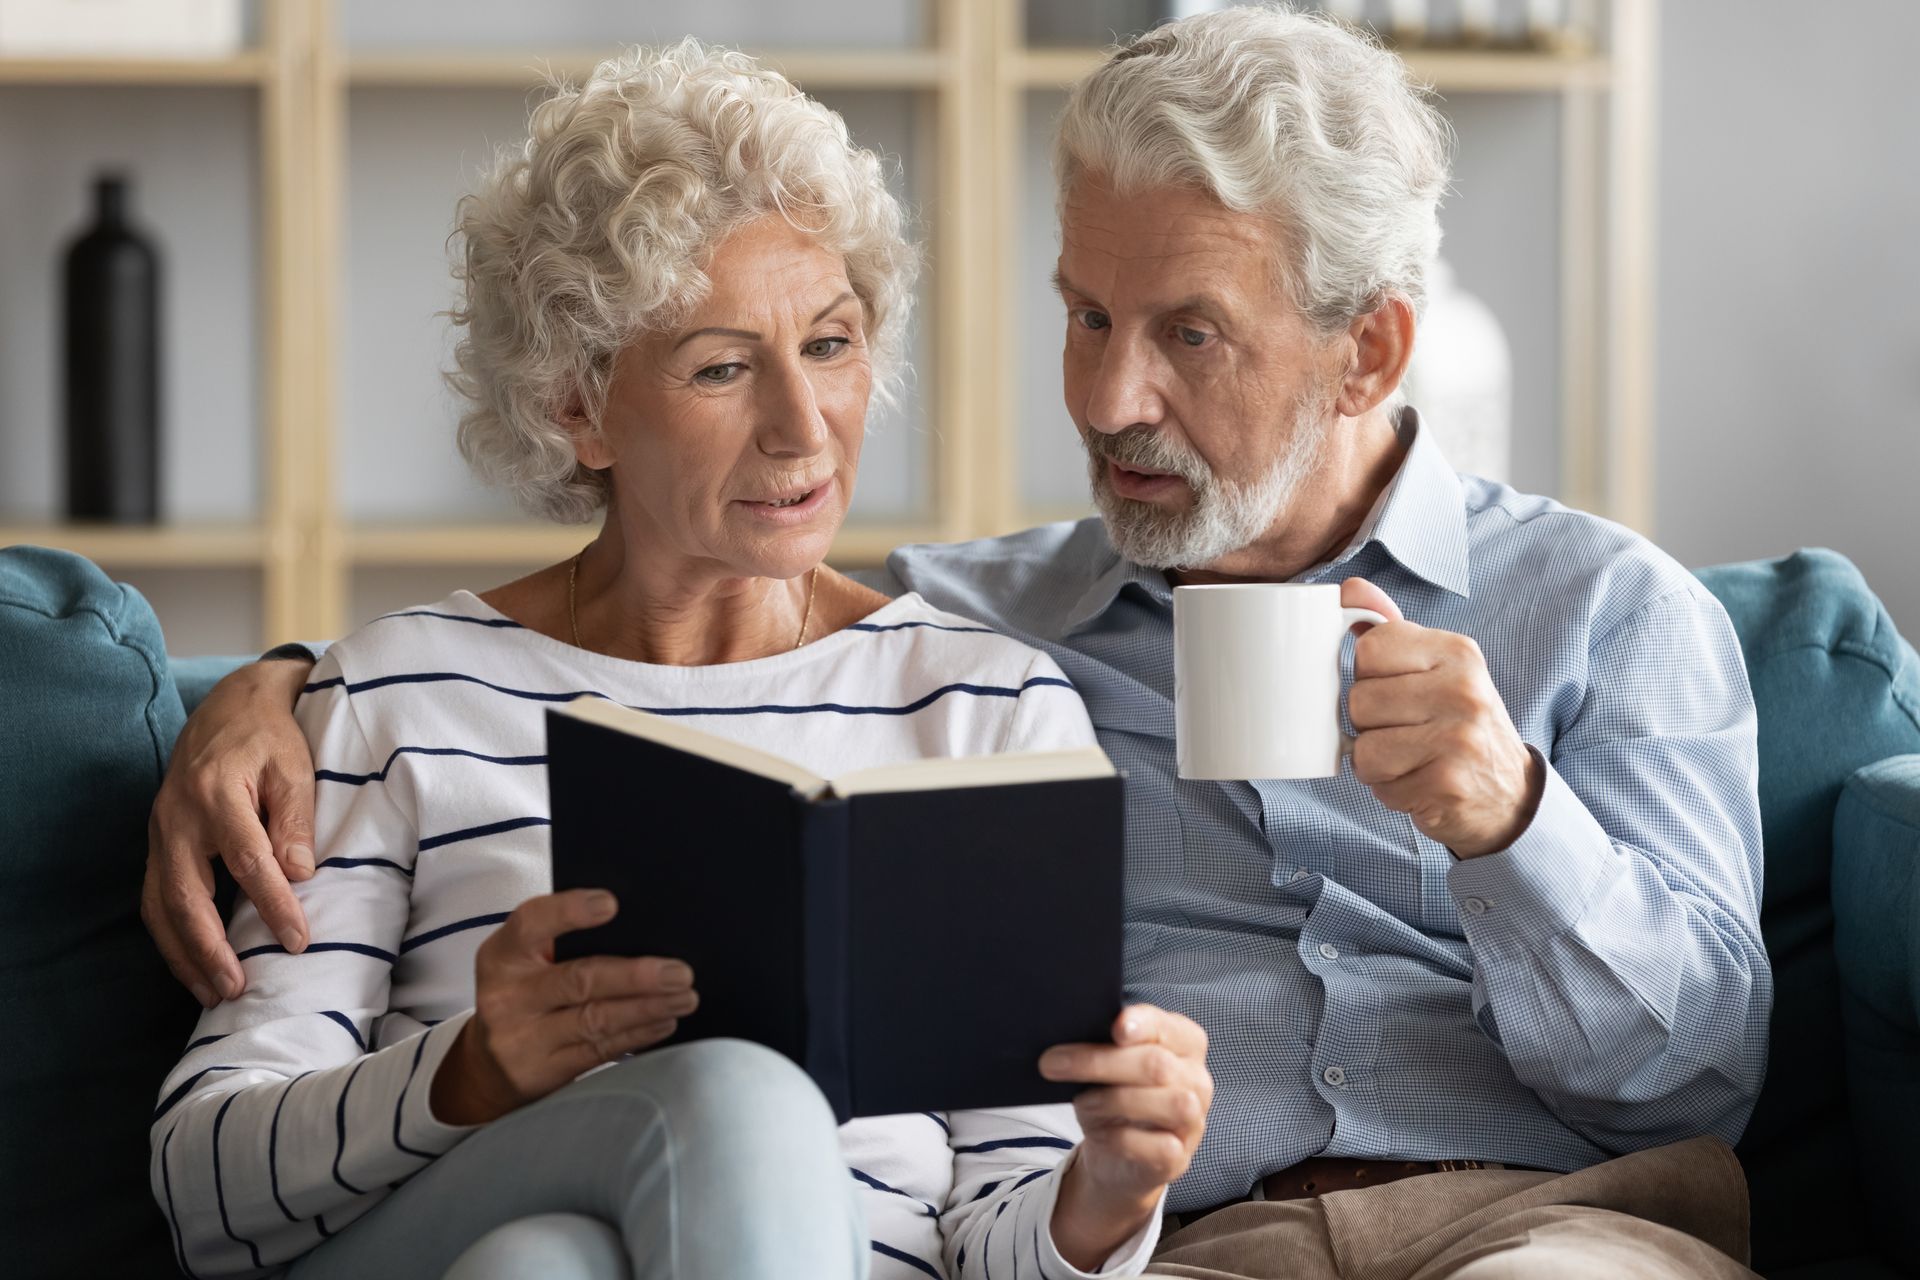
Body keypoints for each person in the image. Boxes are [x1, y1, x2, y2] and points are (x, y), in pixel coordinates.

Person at [148, 8, 1772, 1278]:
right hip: (1216, 1249)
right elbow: (658, 607)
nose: (1104, 400)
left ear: (1373, 354)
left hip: (1549, 1222)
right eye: (1084, 315)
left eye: (1187, 335)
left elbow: (1704, 1084)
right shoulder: (998, 628)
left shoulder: (1604, 618)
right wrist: (263, 687)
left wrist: (1513, 824)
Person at [145, 40, 1213, 1280]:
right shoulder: (398, 698)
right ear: (576, 407)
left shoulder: (983, 707)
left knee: (543, 1267)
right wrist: (470, 1069)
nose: (803, 426)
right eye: (721, 366)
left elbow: (1003, 1239)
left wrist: (1108, 1190)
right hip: (428, 1223)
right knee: (731, 1106)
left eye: (831, 343)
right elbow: (202, 1186)